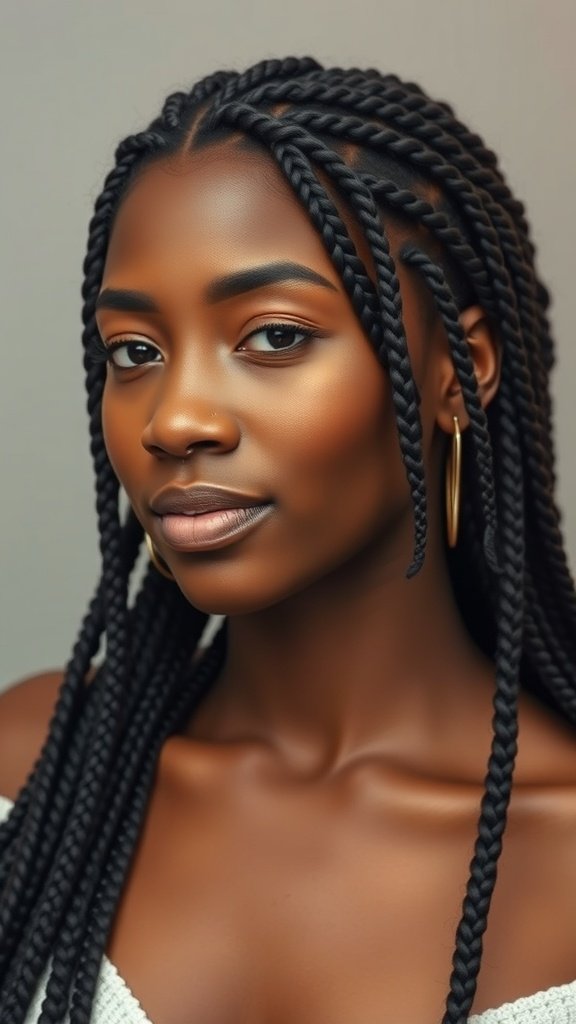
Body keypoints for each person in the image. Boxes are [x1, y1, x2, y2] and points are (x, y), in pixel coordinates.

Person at [1, 55, 575, 1024]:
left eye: (272, 336)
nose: (174, 419)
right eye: (134, 352)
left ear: (457, 370)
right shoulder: (29, 778)